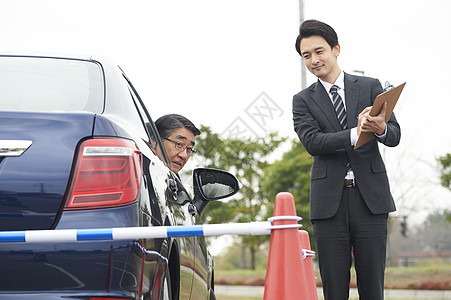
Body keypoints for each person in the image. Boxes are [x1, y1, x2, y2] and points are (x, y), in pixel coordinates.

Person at [292, 19, 401, 299]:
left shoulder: (369, 86)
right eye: (307, 55)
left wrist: (380, 129)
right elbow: (313, 143)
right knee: (334, 290)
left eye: (319, 51)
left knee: (373, 288)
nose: (314, 60)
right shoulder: (303, 100)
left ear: (336, 49)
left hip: (371, 201)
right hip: (330, 204)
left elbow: (395, 135)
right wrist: (355, 132)